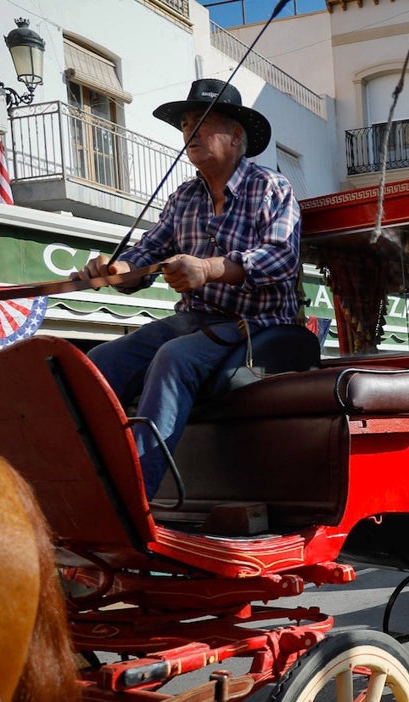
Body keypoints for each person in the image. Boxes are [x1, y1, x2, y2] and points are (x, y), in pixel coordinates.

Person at [73, 79, 301, 500]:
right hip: (193, 321)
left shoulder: (272, 187)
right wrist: (114, 268)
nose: (190, 134)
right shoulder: (182, 198)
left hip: (255, 323)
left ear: (236, 136)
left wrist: (211, 269)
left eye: (203, 123)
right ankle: (82, 480)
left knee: (172, 359)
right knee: (98, 362)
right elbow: (147, 252)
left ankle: (134, 495)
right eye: (186, 125)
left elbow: (281, 259)